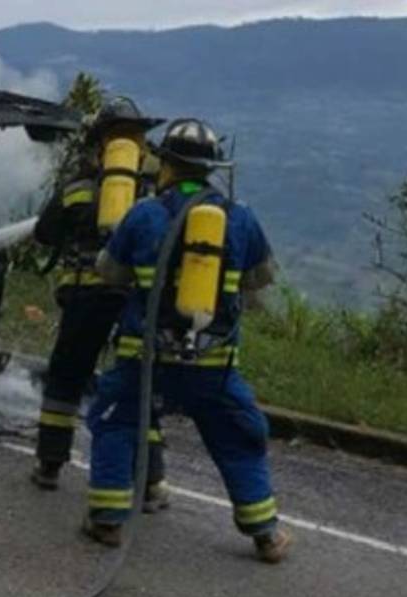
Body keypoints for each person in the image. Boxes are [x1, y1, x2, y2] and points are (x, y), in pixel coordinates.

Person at [83, 118, 293, 563]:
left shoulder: (143, 214)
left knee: (115, 423)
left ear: (167, 165)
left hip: (144, 360)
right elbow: (261, 280)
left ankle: (106, 521)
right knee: (239, 437)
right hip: (213, 366)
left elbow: (110, 271)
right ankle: (265, 535)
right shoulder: (240, 219)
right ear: (212, 168)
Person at [31, 96, 169, 511]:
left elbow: (44, 234)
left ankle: (50, 466)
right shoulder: (156, 194)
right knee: (138, 384)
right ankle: (151, 484)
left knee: (66, 378)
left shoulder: (77, 188)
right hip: (136, 300)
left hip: (86, 296)